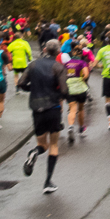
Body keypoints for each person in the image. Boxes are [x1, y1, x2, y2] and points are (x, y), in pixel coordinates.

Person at [19, 40, 68, 193]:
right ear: (58, 52)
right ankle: (47, 181)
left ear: (45, 49)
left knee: (42, 145)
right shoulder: (58, 67)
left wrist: (31, 89)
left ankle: (34, 152)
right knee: (53, 145)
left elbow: (21, 83)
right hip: (53, 107)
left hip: (36, 108)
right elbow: (65, 91)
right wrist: (57, 94)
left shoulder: (33, 65)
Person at [63, 45, 91, 143]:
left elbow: (63, 75)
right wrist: (82, 80)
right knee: (81, 109)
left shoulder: (66, 64)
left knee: (72, 110)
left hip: (70, 89)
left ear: (73, 53)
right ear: (81, 54)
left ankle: (70, 127)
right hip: (80, 89)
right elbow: (86, 74)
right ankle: (81, 129)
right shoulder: (82, 62)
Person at [95, 35, 110, 130]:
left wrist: (102, 66)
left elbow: (95, 63)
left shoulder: (102, 50)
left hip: (107, 77)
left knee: (108, 100)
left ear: (106, 41)